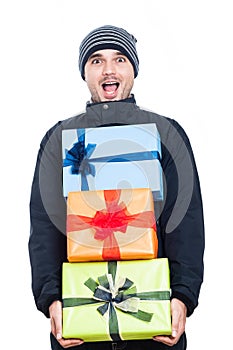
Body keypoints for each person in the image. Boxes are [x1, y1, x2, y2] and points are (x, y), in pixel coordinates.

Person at [28, 25, 205, 350]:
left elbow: (186, 222)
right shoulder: (59, 139)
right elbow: (44, 227)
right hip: (80, 324)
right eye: (96, 60)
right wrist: (51, 299)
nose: (109, 69)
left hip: (155, 322)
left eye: (120, 59)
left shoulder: (166, 134)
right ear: (84, 72)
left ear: (133, 70)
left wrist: (182, 297)